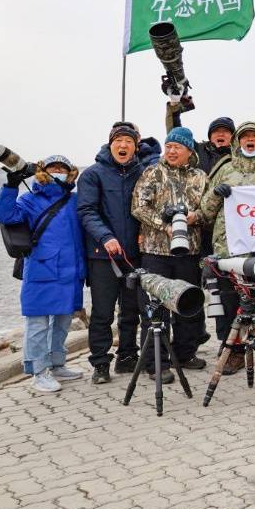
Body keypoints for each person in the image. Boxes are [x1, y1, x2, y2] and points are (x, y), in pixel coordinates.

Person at [199, 122, 255, 373]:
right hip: (230, 251)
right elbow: (206, 213)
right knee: (230, 303)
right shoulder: (225, 170)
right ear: (238, 140)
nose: (250, 140)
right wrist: (217, 194)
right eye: (245, 136)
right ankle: (235, 353)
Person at [0, 156, 86, 393]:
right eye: (53, 168)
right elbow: (4, 216)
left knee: (63, 323)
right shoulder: (30, 200)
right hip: (41, 270)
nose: (58, 171)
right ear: (43, 171)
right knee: (38, 324)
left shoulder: (74, 201)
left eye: (63, 168)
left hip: (70, 272)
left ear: (70, 173)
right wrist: (11, 185)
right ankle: (38, 371)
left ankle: (57, 364)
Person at [78, 121, 158, 384]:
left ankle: (127, 356)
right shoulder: (93, 174)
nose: (122, 146)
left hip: (135, 254)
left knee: (132, 309)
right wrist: (106, 236)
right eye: (118, 141)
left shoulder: (144, 172)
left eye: (128, 142)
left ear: (136, 146)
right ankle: (100, 363)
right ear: (110, 143)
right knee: (102, 312)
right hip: (103, 256)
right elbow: (86, 211)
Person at [130, 127, 208, 380]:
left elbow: (209, 210)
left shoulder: (200, 177)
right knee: (155, 309)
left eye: (178, 147)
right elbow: (138, 207)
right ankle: (156, 363)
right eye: (169, 146)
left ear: (189, 151)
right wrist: (164, 225)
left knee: (188, 305)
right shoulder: (152, 172)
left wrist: (194, 217)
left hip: (189, 251)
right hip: (155, 251)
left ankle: (184, 354)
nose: (172, 151)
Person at [166, 102, 235, 177]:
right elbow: (176, 135)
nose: (220, 134)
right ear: (210, 136)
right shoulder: (197, 150)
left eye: (225, 131)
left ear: (233, 137)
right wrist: (174, 105)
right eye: (216, 131)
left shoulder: (240, 156)